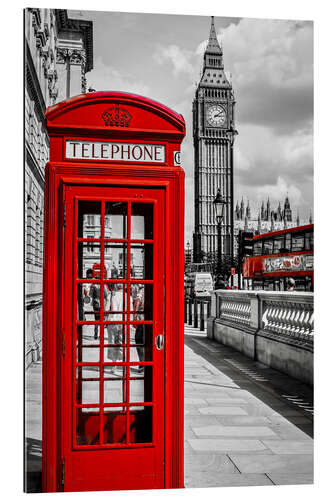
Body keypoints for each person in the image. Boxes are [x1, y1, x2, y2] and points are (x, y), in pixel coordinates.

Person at [89, 276, 109, 340]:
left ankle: (95, 333)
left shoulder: (93, 286)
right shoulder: (104, 286)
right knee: (102, 320)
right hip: (102, 304)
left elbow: (90, 295)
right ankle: (101, 335)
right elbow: (106, 294)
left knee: (96, 319)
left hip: (96, 304)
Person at [134, 285, 145, 373]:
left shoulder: (141, 291)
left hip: (142, 319)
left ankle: (142, 363)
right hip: (154, 321)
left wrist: (135, 316)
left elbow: (137, 302)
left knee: (139, 341)